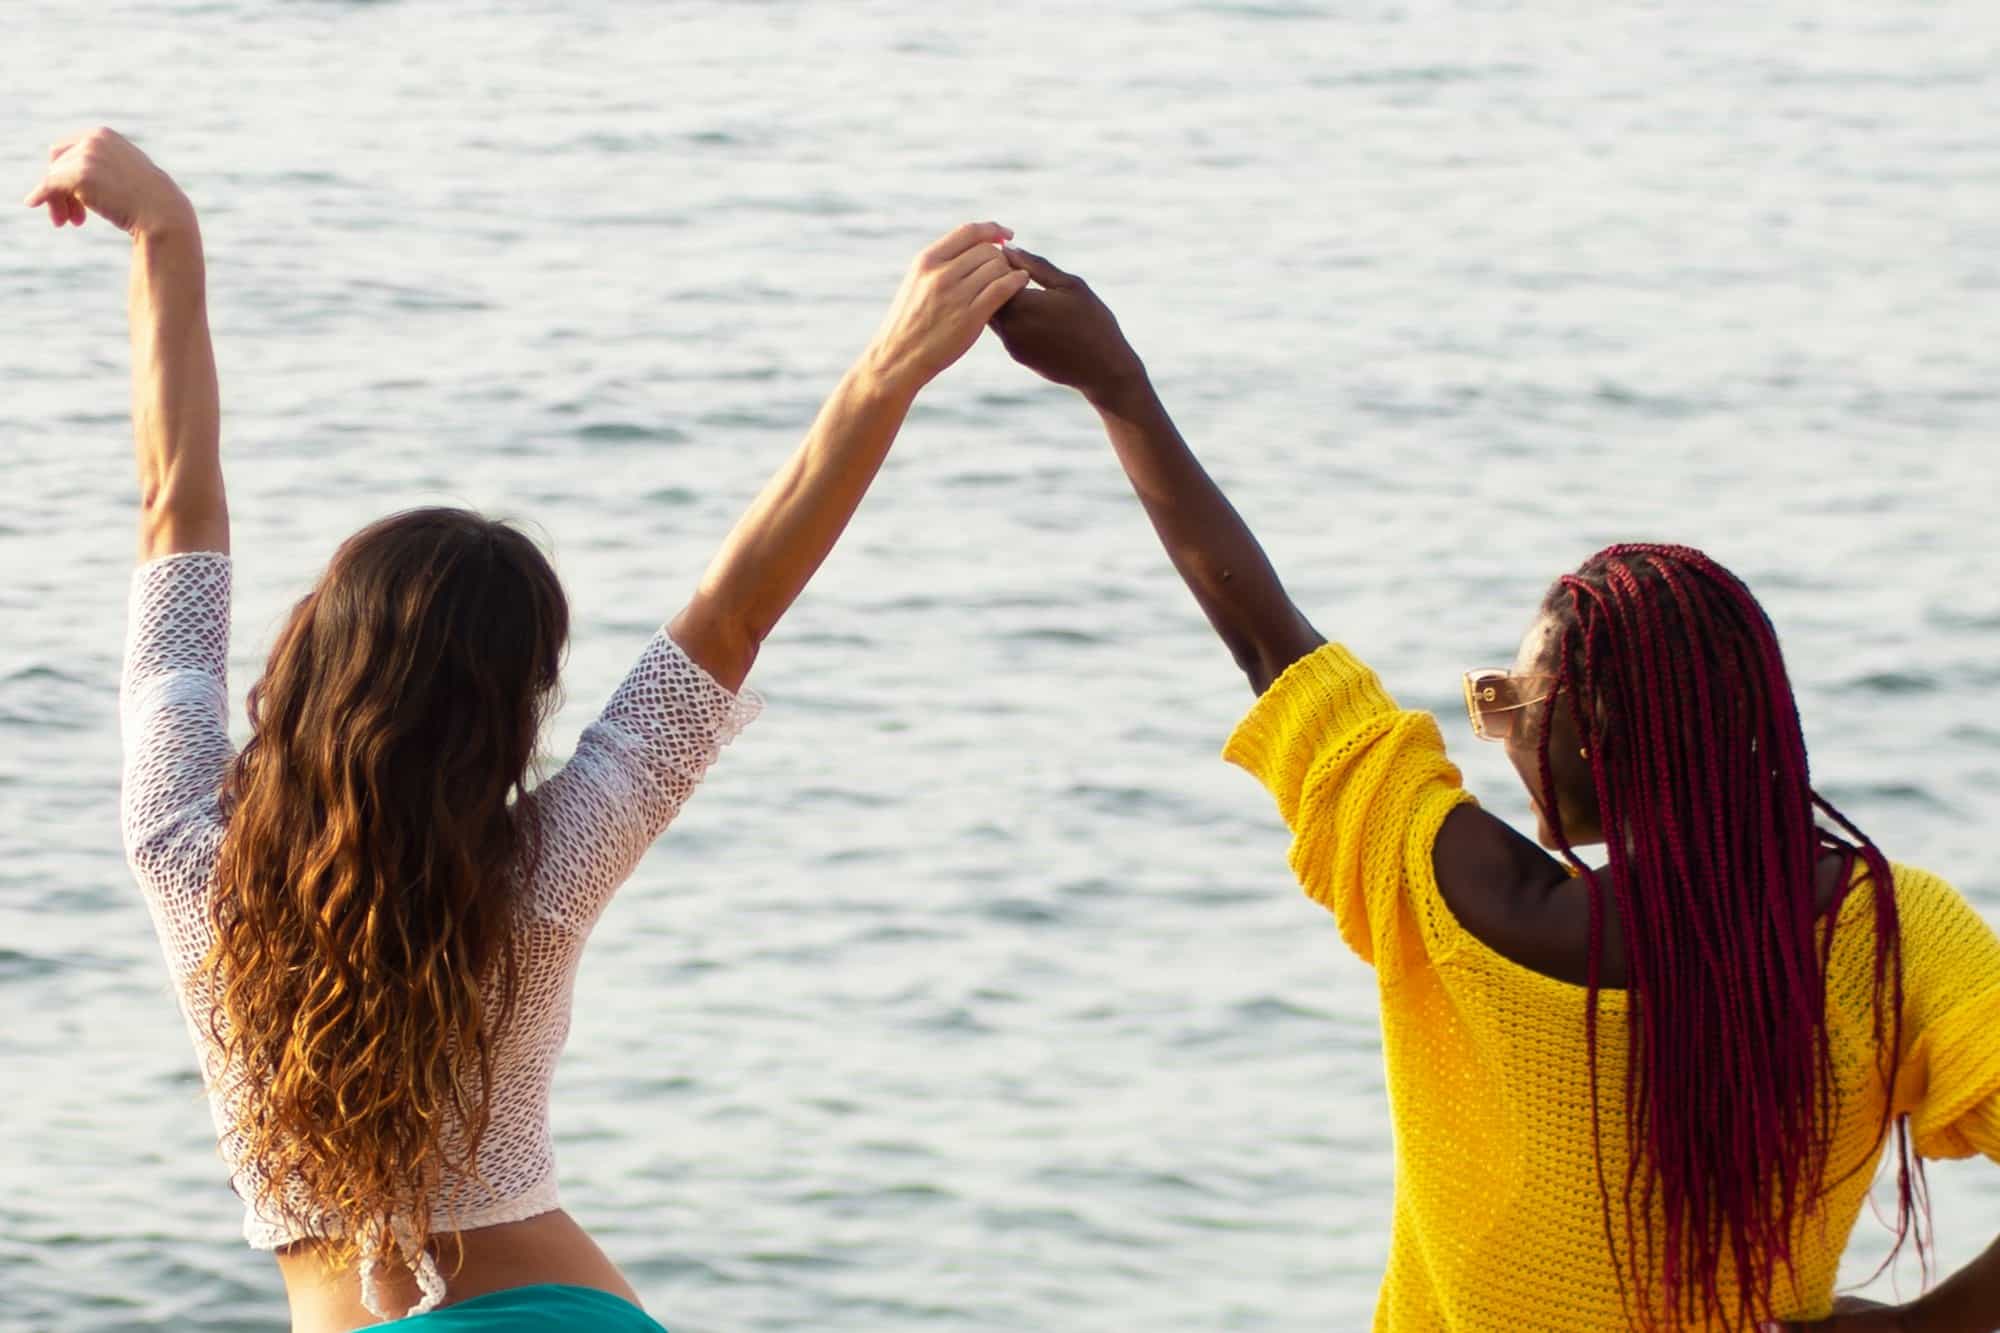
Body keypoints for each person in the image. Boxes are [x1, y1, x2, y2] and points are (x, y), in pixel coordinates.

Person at [25, 128, 1028, 1332]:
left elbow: (171, 508)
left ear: (308, 657)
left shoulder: (183, 845)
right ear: (513, 714)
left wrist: (166, 236)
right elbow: (735, 610)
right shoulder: (541, 873)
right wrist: (884, 371)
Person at [986, 247, 2000, 1332]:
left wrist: (1119, 389)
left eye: (1504, 701)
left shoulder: (1451, 897)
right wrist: (1914, 1326)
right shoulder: (1886, 934)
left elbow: (1265, 642)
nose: (1497, 731)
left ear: (1593, 738)